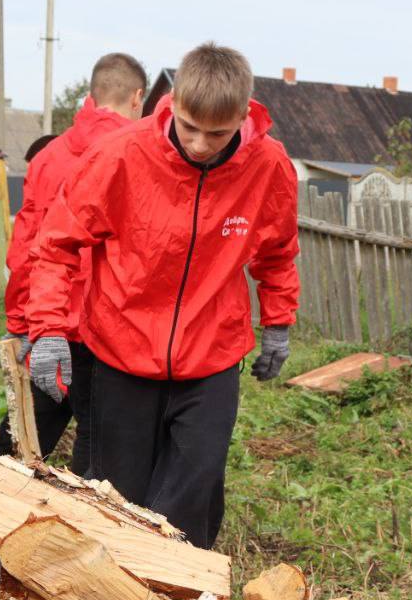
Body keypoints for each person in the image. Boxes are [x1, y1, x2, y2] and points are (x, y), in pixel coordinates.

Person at [25, 42, 299, 549]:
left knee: (192, 494)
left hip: (211, 358)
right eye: (189, 126)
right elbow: (57, 244)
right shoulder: (121, 155)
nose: (197, 144)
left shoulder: (269, 165)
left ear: (245, 116)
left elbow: (277, 250)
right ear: (171, 104)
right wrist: (47, 330)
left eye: (216, 134)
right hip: (121, 350)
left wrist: (278, 322)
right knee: (116, 497)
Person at [0, 53, 149, 475]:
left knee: (25, 436)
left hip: (49, 322)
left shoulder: (49, 156)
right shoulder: (142, 156)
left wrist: (20, 323)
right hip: (109, 332)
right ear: (137, 97)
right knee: (98, 447)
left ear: (91, 94)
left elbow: (27, 244)